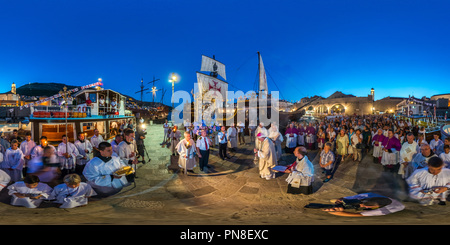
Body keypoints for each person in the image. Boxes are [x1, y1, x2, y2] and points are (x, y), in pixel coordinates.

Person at [312, 192, 405, 217]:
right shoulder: (369, 195)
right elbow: (355, 197)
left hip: (391, 205)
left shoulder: (383, 210)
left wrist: (337, 212)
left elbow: (358, 214)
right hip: (378, 199)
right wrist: (341, 200)